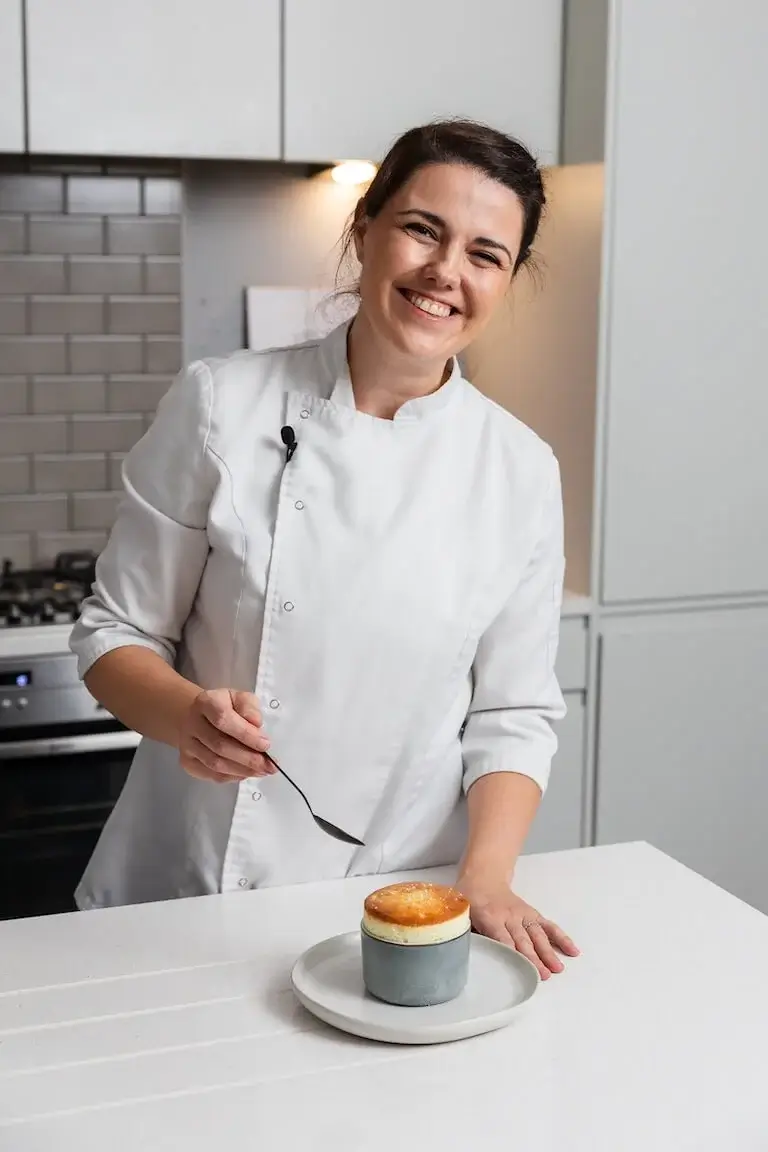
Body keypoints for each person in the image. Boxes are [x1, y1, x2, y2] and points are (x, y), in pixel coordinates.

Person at [70, 119, 579, 980]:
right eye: (423, 229)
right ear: (365, 229)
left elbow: (513, 714)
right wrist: (183, 716)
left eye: (485, 254)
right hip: (192, 894)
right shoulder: (219, 404)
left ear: (506, 279)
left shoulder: (520, 470)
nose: (445, 273)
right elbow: (114, 634)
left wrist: (486, 880)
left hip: (390, 908)